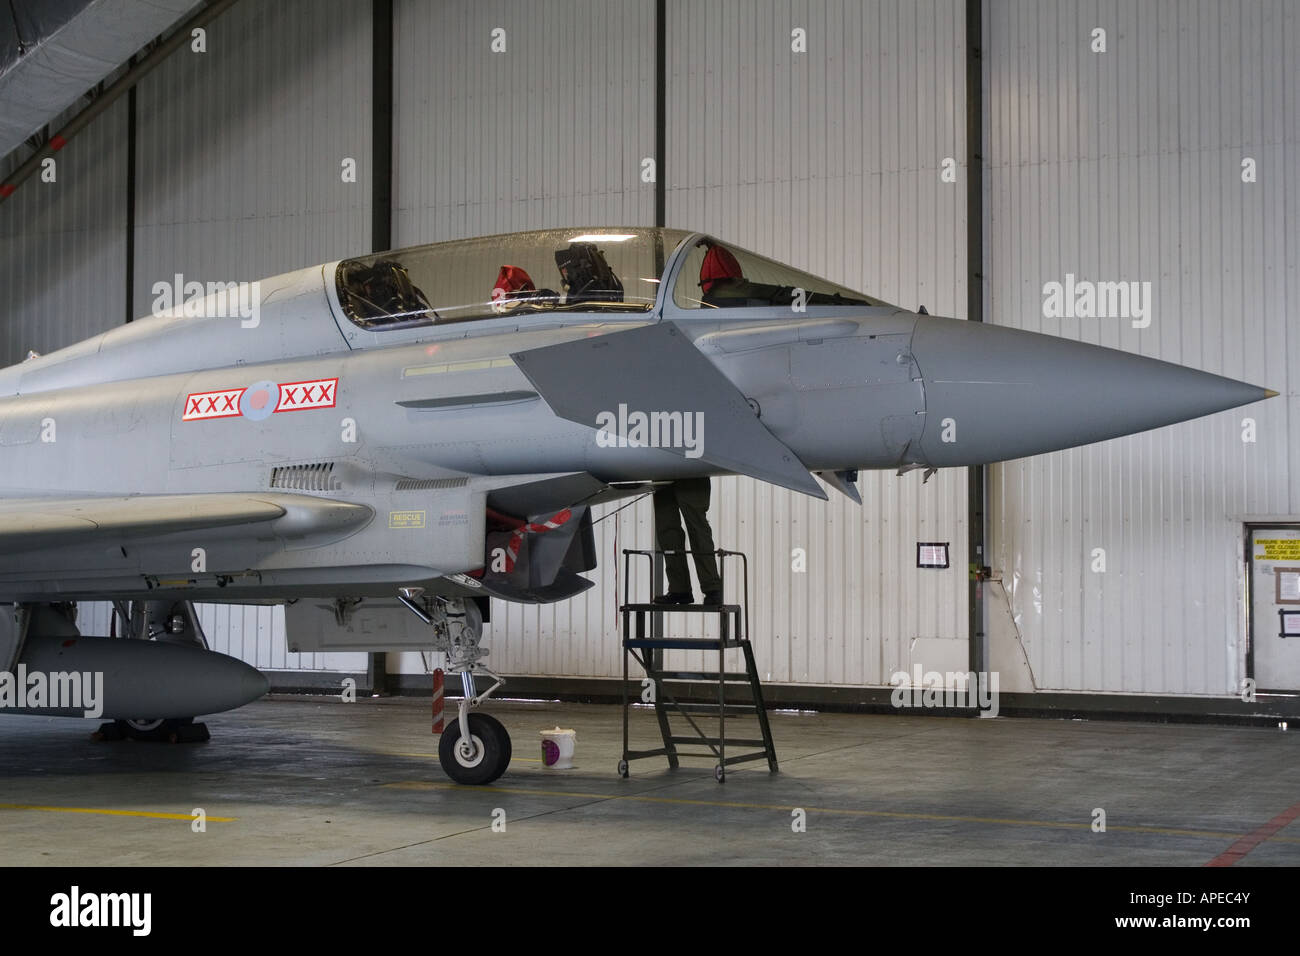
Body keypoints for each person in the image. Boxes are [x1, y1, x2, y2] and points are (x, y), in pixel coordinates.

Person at [652, 477, 722, 605]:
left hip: (690, 466)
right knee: (667, 530)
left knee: (697, 527)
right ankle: (679, 589)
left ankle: (712, 589)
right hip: (662, 468)